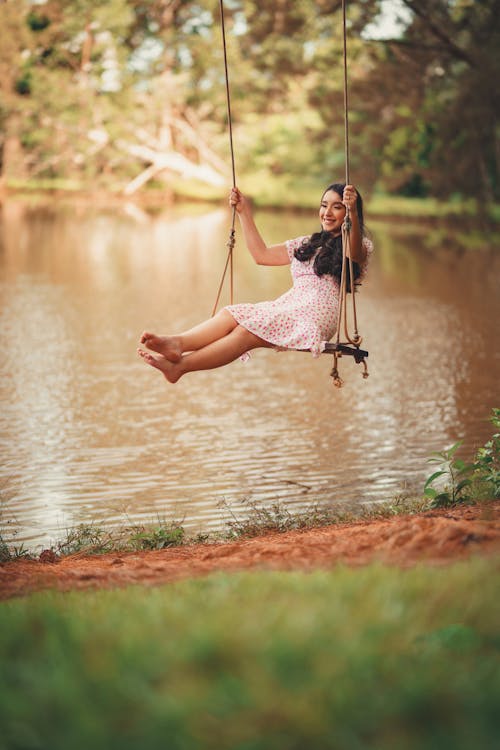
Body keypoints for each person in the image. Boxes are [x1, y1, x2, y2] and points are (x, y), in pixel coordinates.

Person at [137, 183, 372, 383]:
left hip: (318, 313)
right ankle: (178, 343)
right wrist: (243, 212)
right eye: (324, 205)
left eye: (337, 207)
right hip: (289, 305)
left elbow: (353, 251)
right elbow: (262, 255)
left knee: (247, 332)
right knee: (231, 313)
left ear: (349, 212)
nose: (327, 212)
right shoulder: (306, 243)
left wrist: (351, 215)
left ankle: (180, 367)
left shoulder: (359, 246)